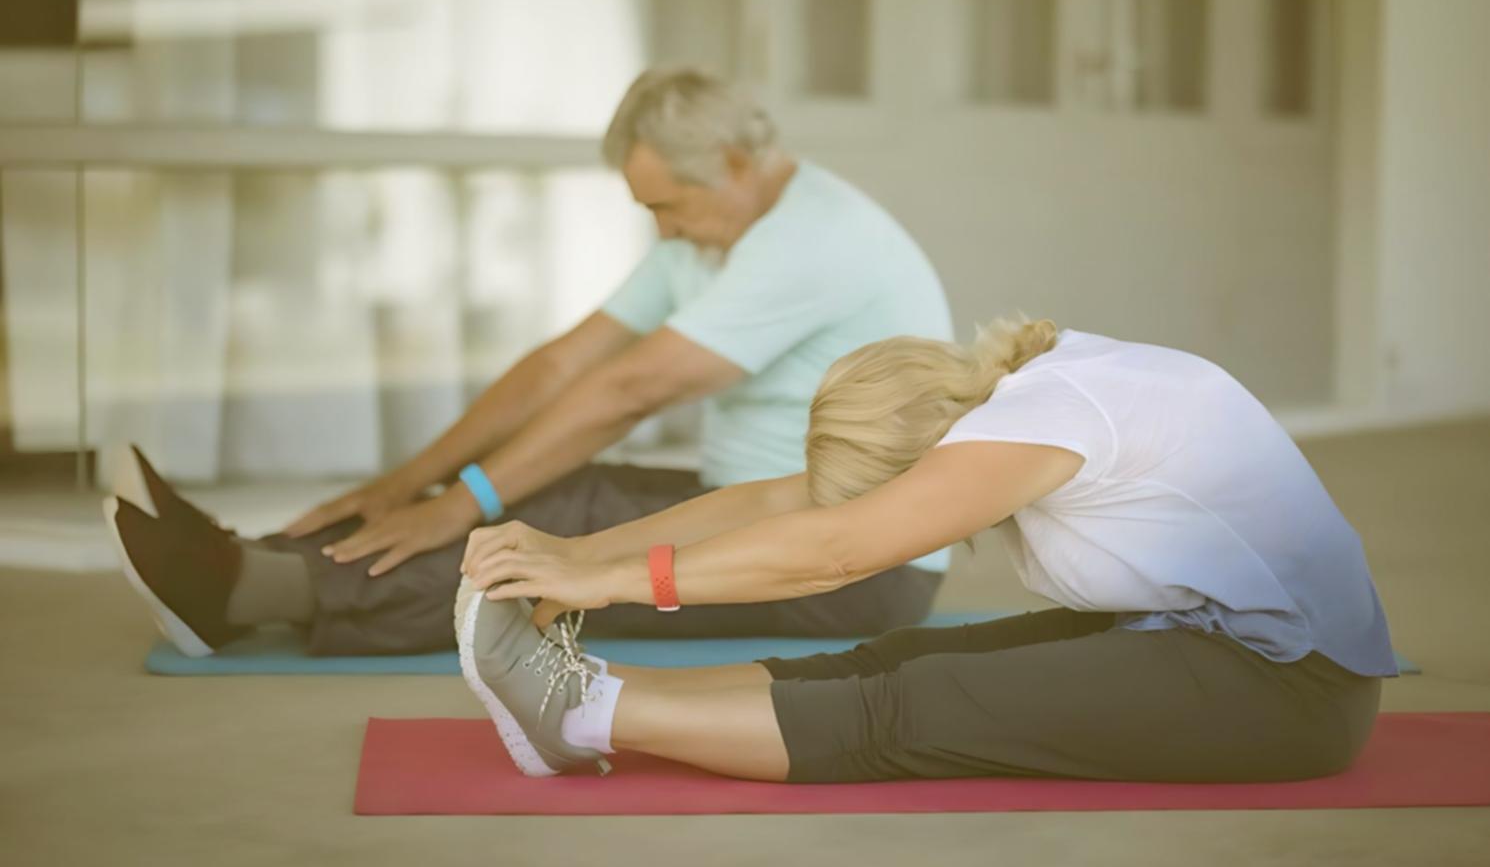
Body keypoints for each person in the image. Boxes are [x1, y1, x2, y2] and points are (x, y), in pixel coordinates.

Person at [105, 67, 953, 658]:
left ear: (734, 164)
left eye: (667, 205)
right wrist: (409, 482)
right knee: (532, 488)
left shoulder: (812, 239)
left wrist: (464, 501)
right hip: (757, 509)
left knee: (560, 506)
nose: (659, 228)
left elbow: (627, 390)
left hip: (858, 564)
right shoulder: (712, 226)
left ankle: (251, 594)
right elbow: (561, 365)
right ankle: (259, 555)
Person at [454, 319, 1396, 783]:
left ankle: (582, 714)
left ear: (921, 466)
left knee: (917, 710)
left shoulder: (1041, 422)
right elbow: (776, 501)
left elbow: (833, 550)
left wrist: (607, 580)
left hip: (1289, 693)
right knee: (904, 655)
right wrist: (571, 552)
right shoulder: (1016, 388)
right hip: (1208, 643)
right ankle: (594, 679)